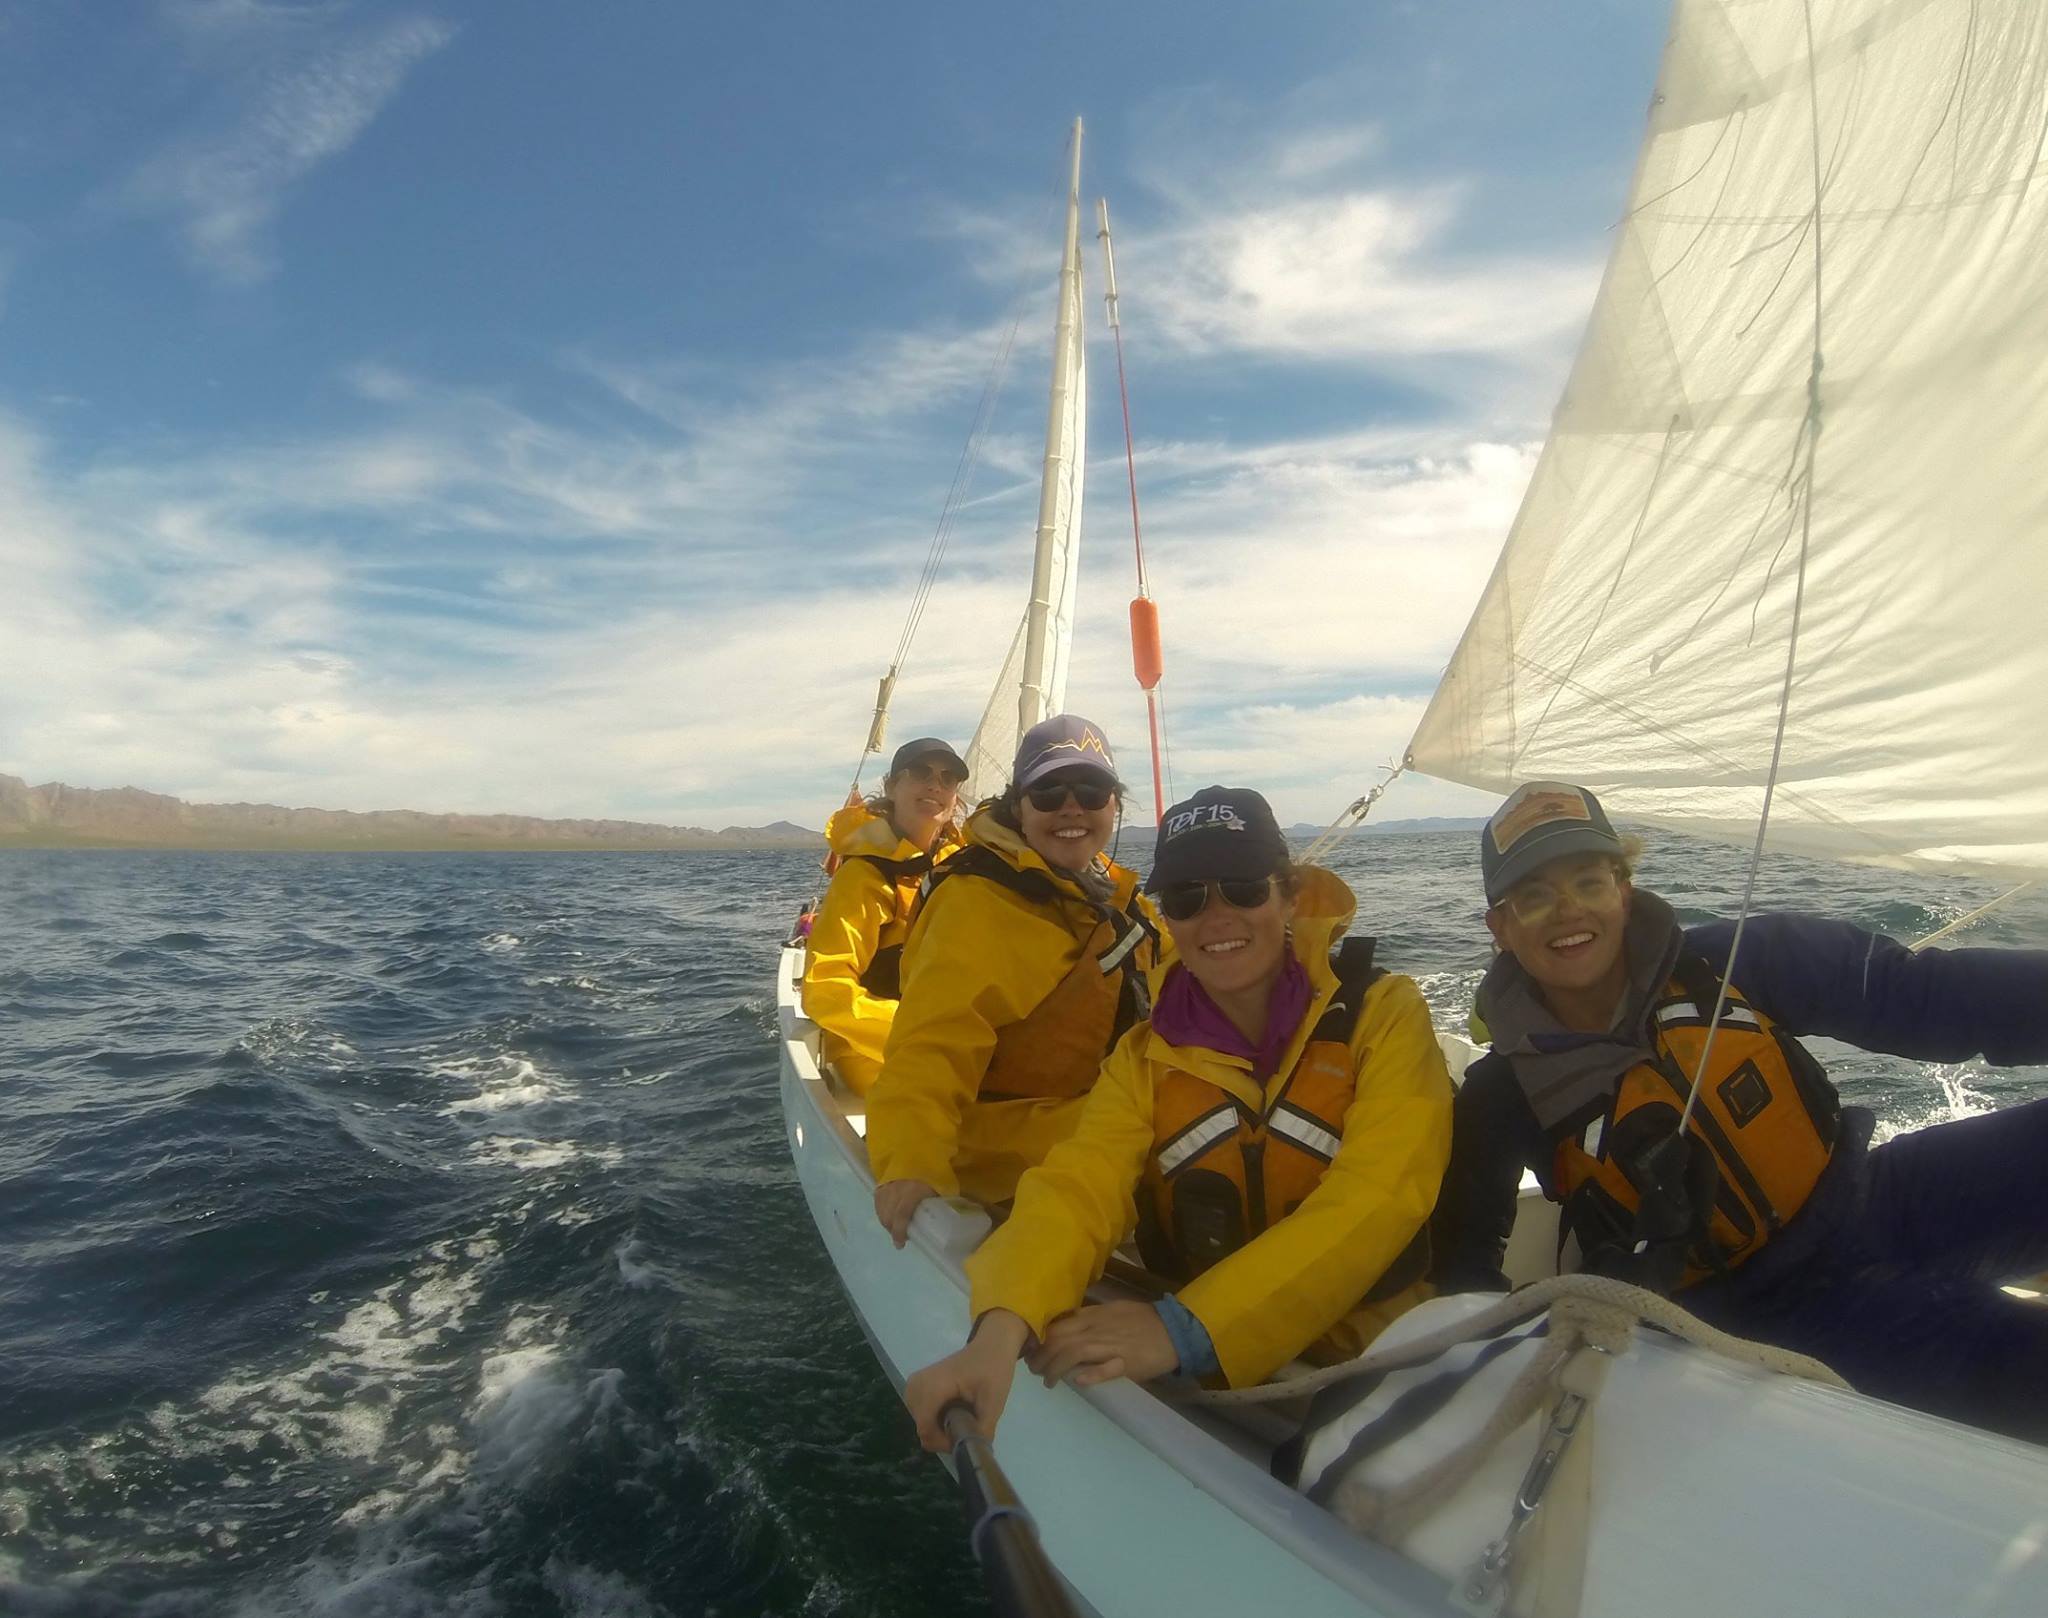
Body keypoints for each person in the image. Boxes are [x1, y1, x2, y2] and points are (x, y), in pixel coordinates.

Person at [1431, 780, 2048, 1443]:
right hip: (1759, 1315)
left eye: (1588, 881)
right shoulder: (1502, 1094)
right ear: (1500, 927)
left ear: (1623, 888)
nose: (1567, 910)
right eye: (1534, 896)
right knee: (2020, 1370)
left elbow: (1926, 996)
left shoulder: (1734, 963)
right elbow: (1465, 1273)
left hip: (1879, 1198)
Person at [900, 786, 1453, 1448]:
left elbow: (1381, 1194)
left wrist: (1185, 1328)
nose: (1216, 916)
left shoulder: (1384, 1014)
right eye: (1187, 898)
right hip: (1214, 1390)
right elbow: (1079, 1187)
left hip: (1383, 1361)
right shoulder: (1144, 1058)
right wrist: (999, 1327)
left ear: (1290, 898)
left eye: (1243, 888)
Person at [867, 715, 1159, 1243]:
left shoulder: (1112, 895)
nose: (1072, 807)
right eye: (1047, 792)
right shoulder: (977, 905)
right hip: (1016, 1163)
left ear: (1114, 805)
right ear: (1018, 806)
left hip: (1104, 1127)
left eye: (1092, 790)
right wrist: (911, 1161)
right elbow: (931, 1047)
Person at [801, 737, 968, 1095]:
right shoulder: (864, 878)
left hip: (962, 1041)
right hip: (877, 1051)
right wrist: (919, 1034)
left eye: (948, 778)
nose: (935, 784)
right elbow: (824, 987)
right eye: (921, 772)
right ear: (892, 786)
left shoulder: (967, 864)